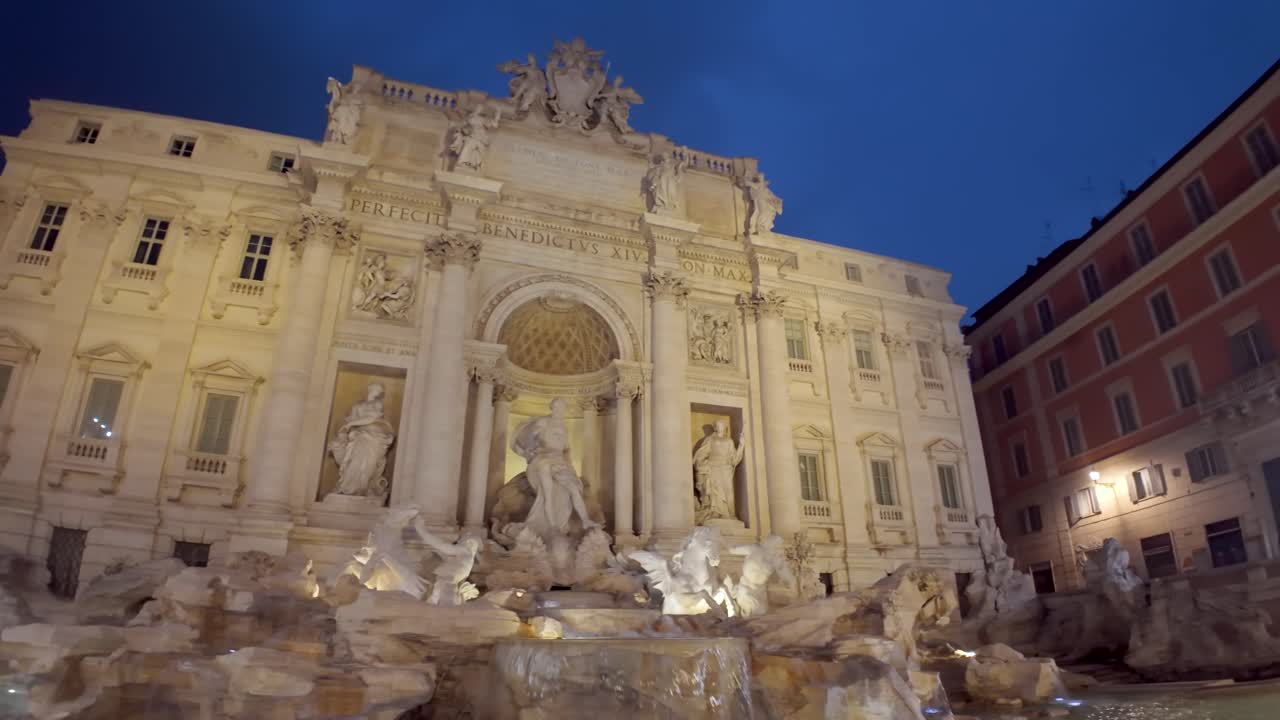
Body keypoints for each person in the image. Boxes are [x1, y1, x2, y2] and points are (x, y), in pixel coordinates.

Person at [511, 397, 599, 541]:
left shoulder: (564, 426)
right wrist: (530, 452)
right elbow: (528, 437)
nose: (560, 410)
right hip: (543, 460)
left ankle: (585, 520)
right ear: (552, 407)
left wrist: (570, 466)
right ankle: (552, 525)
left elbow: (566, 449)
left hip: (561, 462)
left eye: (563, 407)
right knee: (548, 493)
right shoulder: (543, 422)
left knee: (573, 489)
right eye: (557, 407)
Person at [328, 383, 395, 497]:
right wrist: (346, 429)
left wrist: (352, 424)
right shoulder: (358, 405)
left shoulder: (377, 404)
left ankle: (363, 487)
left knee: (368, 463)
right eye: (377, 390)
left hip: (374, 437)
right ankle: (348, 487)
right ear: (371, 389)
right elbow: (351, 419)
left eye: (380, 391)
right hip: (358, 436)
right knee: (354, 460)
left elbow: (373, 418)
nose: (378, 393)